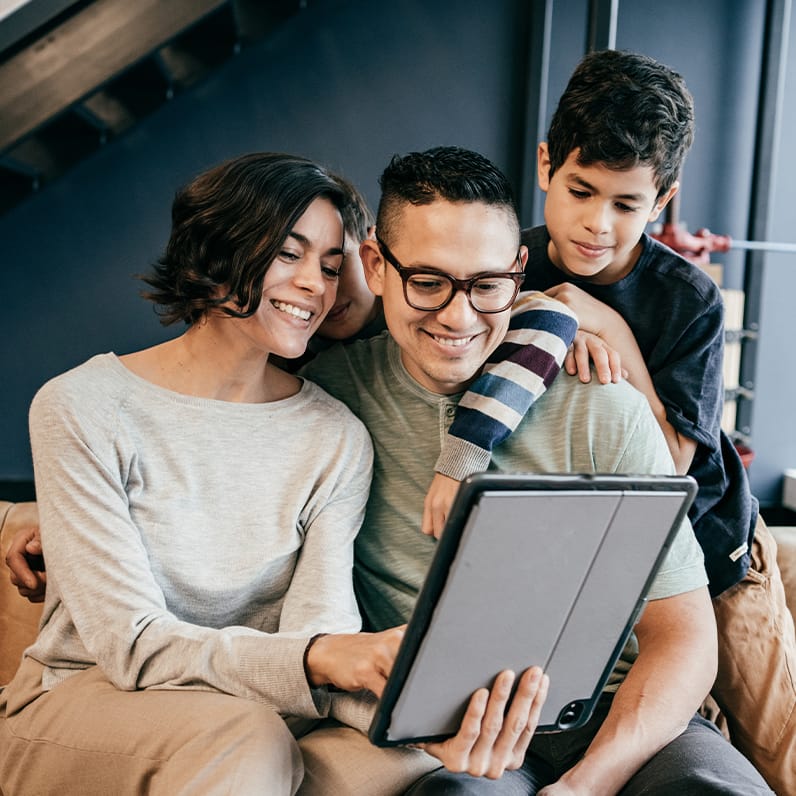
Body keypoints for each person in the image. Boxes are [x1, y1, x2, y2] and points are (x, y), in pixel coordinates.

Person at [0, 152, 550, 795]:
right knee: (244, 737)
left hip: (261, 711)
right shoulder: (83, 405)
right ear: (216, 251)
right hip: (88, 701)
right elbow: (132, 647)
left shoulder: (335, 434)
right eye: (288, 255)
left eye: (329, 265)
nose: (315, 286)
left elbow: (322, 634)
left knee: (406, 767)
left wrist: (422, 720)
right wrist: (320, 658)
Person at [298, 145, 771, 793]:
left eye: (487, 286)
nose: (459, 317)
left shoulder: (604, 404)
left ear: (520, 274)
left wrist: (587, 784)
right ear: (376, 265)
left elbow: (682, 636)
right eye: (429, 282)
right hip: (452, 733)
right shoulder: (324, 400)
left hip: (615, 713)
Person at [420, 50, 796, 795]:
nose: (597, 225)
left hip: (713, 551)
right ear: (544, 165)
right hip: (580, 551)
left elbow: (668, 470)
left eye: (627, 205)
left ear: (663, 202)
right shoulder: (507, 263)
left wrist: (609, 333)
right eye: (581, 191)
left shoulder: (685, 299)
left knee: (779, 748)